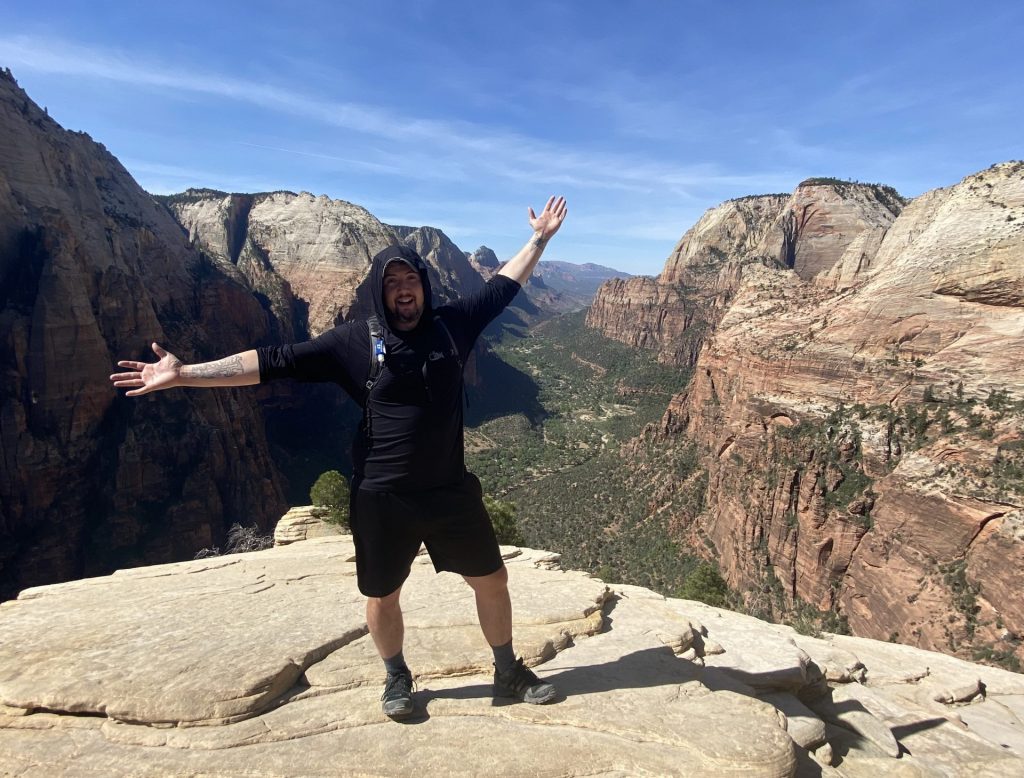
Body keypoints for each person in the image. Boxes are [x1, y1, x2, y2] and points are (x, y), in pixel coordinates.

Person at [111, 196, 568, 720]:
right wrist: (186, 373)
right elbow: (272, 363)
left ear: (424, 285)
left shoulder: (453, 324)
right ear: (380, 290)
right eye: (392, 283)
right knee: (383, 594)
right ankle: (397, 677)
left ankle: (507, 671)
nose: (403, 291)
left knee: (492, 580)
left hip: (449, 489)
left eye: (411, 281)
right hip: (381, 495)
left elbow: (503, 286)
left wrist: (539, 239)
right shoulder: (354, 342)